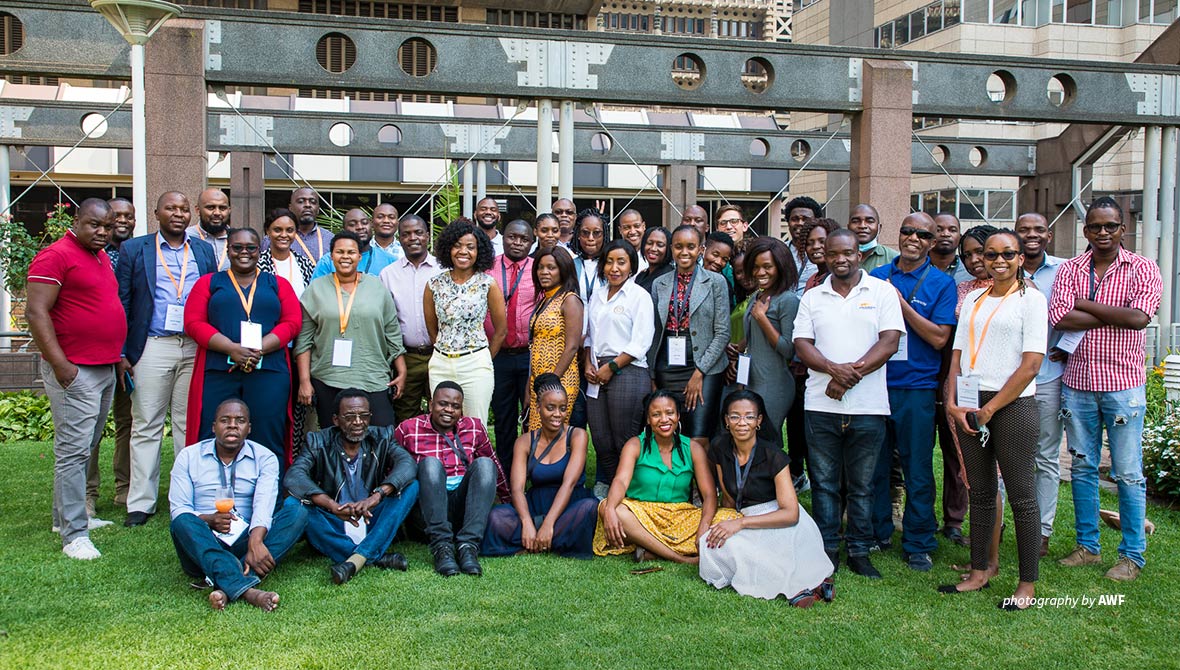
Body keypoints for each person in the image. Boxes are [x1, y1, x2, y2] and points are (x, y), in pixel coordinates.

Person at [1050, 197, 1162, 582]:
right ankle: (1088, 547)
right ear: (1085, 231)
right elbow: (1061, 317)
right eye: (1095, 227)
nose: (1102, 233)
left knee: (1128, 473)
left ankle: (1132, 555)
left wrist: (1087, 305)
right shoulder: (1071, 269)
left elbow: (1138, 318)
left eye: (1110, 226)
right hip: (1078, 383)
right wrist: (1109, 312)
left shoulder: (1144, 269)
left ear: (1122, 228)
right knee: (1082, 467)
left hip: (1123, 385)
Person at [942, 229, 1047, 610]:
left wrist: (991, 408)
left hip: (1013, 404)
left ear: (1021, 258)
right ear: (981, 259)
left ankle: (1026, 583)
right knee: (981, 492)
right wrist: (953, 402)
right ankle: (980, 571)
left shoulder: (1031, 301)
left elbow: (1031, 364)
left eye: (1007, 254)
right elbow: (957, 354)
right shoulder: (972, 298)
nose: (998, 261)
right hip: (970, 400)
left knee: (1022, 497)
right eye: (990, 255)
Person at [793, 229, 904, 579]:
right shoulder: (813, 296)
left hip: (869, 407)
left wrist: (847, 377)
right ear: (824, 255)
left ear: (860, 254)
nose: (840, 259)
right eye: (833, 253)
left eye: (848, 253)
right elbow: (802, 343)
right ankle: (827, 548)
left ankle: (859, 549)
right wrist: (831, 370)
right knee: (824, 482)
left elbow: (889, 342)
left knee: (862, 484)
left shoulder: (882, 291)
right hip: (820, 406)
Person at [27, 198, 125, 558]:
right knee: (72, 451)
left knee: (86, 445)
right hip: (74, 368)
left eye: (107, 226)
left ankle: (64, 516)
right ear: (77, 221)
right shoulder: (56, 255)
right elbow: (36, 312)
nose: (102, 232)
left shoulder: (98, 256)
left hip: (102, 365)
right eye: (94, 225)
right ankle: (73, 534)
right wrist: (60, 364)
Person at [117, 191, 218, 527]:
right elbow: (124, 302)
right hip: (152, 345)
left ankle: (184, 497)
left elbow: (211, 297)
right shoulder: (135, 249)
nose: (178, 214)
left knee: (187, 425)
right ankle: (140, 503)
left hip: (193, 346)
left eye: (184, 209)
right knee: (146, 424)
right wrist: (123, 352)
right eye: (171, 208)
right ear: (157, 212)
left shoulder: (203, 250)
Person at [869, 212, 958, 572]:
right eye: (907, 231)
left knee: (916, 466)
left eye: (923, 234)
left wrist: (899, 304)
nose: (913, 238)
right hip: (874, 384)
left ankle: (919, 540)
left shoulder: (940, 283)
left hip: (916, 387)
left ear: (932, 242)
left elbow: (939, 337)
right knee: (873, 465)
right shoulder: (876, 277)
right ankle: (876, 531)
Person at [168, 399, 307, 611]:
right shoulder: (189, 456)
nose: (233, 425)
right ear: (214, 426)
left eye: (240, 421)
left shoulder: (265, 457)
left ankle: (225, 584)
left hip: (246, 538)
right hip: (202, 541)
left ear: (249, 428)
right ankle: (248, 589)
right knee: (183, 521)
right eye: (225, 420)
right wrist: (209, 519)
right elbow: (179, 508)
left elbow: (264, 503)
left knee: (297, 512)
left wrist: (255, 540)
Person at [183, 228, 303, 471]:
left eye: (251, 247)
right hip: (218, 370)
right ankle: (211, 490)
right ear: (228, 250)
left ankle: (271, 495)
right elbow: (193, 323)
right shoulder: (209, 283)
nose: (244, 252)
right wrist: (232, 349)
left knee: (268, 431)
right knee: (213, 428)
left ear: (260, 251)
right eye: (237, 247)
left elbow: (292, 322)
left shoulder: (278, 284)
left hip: (268, 369)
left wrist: (257, 349)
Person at [699, 390, 834, 604]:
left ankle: (801, 586)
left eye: (749, 416)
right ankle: (810, 583)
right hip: (743, 517)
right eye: (735, 416)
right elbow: (728, 497)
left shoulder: (775, 456)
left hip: (778, 520)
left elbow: (791, 514)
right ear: (726, 420)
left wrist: (741, 524)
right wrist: (723, 522)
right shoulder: (719, 447)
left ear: (759, 420)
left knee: (763, 548)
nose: (742, 423)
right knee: (711, 544)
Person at [285, 390, 420, 584]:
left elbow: (407, 465)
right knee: (295, 504)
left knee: (411, 486)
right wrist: (331, 505)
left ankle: (353, 561)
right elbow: (294, 476)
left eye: (364, 416)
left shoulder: (382, 437)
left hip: (371, 518)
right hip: (334, 519)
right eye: (349, 417)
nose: (358, 422)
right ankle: (374, 558)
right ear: (336, 420)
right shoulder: (317, 441)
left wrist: (377, 496)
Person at [593, 390, 738, 563]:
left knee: (731, 517)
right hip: (642, 515)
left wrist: (703, 526)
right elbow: (620, 481)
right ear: (648, 419)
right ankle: (682, 558)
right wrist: (609, 509)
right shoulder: (634, 445)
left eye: (669, 413)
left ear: (678, 416)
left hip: (680, 517)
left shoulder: (693, 448)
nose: (664, 419)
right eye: (656, 414)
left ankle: (651, 549)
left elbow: (709, 495)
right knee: (609, 508)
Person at [395, 382, 509, 576]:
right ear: (431, 405)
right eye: (442, 404)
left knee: (485, 464)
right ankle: (442, 548)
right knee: (430, 464)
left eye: (455, 406)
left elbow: (493, 466)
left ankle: (468, 546)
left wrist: (508, 501)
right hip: (427, 510)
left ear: (461, 409)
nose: (449, 410)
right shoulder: (408, 429)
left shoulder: (474, 427)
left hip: (462, 508)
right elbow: (393, 469)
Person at [295, 231, 407, 429]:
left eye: (351, 252)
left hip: (372, 375)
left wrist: (402, 369)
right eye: (340, 252)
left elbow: (392, 330)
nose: (345, 256)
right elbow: (304, 340)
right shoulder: (316, 289)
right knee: (333, 440)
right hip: (328, 378)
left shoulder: (377, 287)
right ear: (331, 256)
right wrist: (304, 381)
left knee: (380, 436)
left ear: (359, 257)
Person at [482, 374, 599, 558]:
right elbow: (518, 489)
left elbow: (569, 484)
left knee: (589, 508)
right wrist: (527, 522)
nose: (557, 414)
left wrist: (549, 523)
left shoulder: (577, 436)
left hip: (568, 506)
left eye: (562, 408)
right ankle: (546, 540)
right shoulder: (524, 442)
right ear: (538, 408)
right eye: (550, 408)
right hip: (534, 507)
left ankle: (540, 539)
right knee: (496, 516)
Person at [584, 239, 656, 498]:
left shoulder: (639, 296)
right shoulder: (598, 295)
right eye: (610, 262)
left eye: (621, 262)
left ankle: (630, 493)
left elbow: (641, 342)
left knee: (623, 439)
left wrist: (612, 367)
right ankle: (618, 490)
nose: (614, 268)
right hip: (596, 371)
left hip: (627, 370)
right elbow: (589, 335)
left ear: (631, 266)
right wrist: (588, 363)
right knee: (601, 440)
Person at [649, 225, 730, 449]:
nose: (685, 252)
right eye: (678, 247)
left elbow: (723, 332)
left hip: (706, 366)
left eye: (691, 247)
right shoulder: (659, 283)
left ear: (701, 249)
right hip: (669, 363)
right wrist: (652, 373)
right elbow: (656, 331)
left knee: (699, 434)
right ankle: (679, 481)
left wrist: (700, 371)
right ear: (671, 249)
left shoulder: (716, 282)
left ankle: (702, 484)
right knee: (672, 430)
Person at [1015, 212, 1067, 557]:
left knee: (1046, 457)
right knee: (1005, 458)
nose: (1031, 235)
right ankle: (997, 527)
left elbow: (1072, 315)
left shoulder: (1065, 271)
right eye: (1024, 230)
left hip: (1048, 376)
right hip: (1007, 382)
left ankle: (1043, 531)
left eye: (1037, 230)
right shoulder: (999, 268)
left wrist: (1064, 346)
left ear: (1048, 235)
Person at [425, 219, 507, 424]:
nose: (464, 251)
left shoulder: (488, 284)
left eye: (470, 247)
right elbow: (432, 328)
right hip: (441, 363)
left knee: (474, 424)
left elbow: (501, 331)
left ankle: (476, 458)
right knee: (441, 423)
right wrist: (444, 349)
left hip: (475, 364)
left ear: (479, 252)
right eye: (457, 245)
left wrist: (483, 357)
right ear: (448, 249)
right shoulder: (434, 284)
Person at [784, 217, 838, 493]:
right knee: (805, 435)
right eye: (810, 242)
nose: (816, 247)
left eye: (821, 241)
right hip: (806, 369)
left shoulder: (841, 279)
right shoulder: (813, 280)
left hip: (834, 372)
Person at [90, 197, 134, 512]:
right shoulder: (93, 254)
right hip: (92, 355)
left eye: (128, 216)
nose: (122, 221)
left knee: (127, 422)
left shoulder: (133, 253)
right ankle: (86, 495)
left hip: (128, 355)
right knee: (90, 426)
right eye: (114, 215)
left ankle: (125, 489)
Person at [738, 237, 800, 453]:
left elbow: (788, 349)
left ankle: (779, 484)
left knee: (768, 440)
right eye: (755, 267)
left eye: (767, 267)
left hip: (774, 383)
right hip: (752, 378)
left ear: (780, 267)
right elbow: (753, 336)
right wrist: (739, 346)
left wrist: (763, 319)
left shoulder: (788, 300)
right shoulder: (758, 296)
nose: (760, 272)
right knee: (750, 439)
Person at [380, 214, 444, 424]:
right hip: (407, 357)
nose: (413, 238)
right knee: (404, 416)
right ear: (399, 239)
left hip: (441, 355)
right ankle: (407, 457)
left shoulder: (444, 270)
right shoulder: (388, 274)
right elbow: (386, 321)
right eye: (406, 234)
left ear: (427, 236)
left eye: (418, 232)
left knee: (444, 413)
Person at [486, 220, 538, 468]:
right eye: (512, 237)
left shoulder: (539, 269)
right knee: (504, 417)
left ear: (532, 241)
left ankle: (530, 471)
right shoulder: (487, 267)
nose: (517, 243)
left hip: (529, 354)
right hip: (498, 355)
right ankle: (505, 474)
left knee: (532, 415)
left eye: (523, 239)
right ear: (502, 238)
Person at [526, 247, 583, 431]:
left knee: (553, 433)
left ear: (563, 269)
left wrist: (552, 382)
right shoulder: (545, 299)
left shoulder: (569, 299)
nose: (544, 272)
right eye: (540, 267)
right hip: (538, 378)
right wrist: (531, 384)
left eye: (551, 267)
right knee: (534, 433)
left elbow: (572, 346)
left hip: (560, 379)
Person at [310, 208, 395, 280]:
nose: (360, 227)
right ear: (344, 229)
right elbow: (315, 294)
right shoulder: (328, 261)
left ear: (371, 225)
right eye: (352, 224)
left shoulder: (390, 261)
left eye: (364, 223)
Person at [261, 187, 333, 261]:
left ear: (318, 209)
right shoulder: (271, 240)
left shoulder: (330, 239)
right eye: (301, 201)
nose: (307, 205)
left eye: (313, 202)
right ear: (290, 207)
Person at [258, 208, 316, 299]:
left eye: (289, 230)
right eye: (277, 230)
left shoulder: (306, 264)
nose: (284, 235)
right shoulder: (258, 265)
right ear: (268, 231)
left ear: (296, 232)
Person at [784, 195, 823, 291]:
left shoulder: (822, 251)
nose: (800, 223)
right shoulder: (779, 249)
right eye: (795, 219)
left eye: (805, 219)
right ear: (788, 222)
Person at [188, 188, 231, 271]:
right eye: (211, 208)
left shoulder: (237, 239)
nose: (217, 213)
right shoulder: (186, 237)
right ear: (197, 210)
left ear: (229, 210)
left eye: (222, 208)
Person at [849, 203, 898, 272]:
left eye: (869, 221)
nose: (862, 226)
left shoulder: (895, 258)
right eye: (856, 221)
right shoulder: (839, 257)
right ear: (848, 227)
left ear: (879, 228)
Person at [572, 209, 606, 303]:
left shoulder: (609, 265)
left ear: (604, 235)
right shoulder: (570, 265)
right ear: (578, 235)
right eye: (585, 233)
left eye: (596, 233)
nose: (591, 238)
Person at [931, 212, 974, 283]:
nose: (945, 234)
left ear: (960, 237)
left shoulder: (971, 270)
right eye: (938, 230)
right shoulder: (916, 268)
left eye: (952, 230)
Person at [634, 225, 672, 293]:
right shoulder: (641, 275)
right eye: (649, 243)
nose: (653, 248)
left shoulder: (669, 277)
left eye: (660, 245)